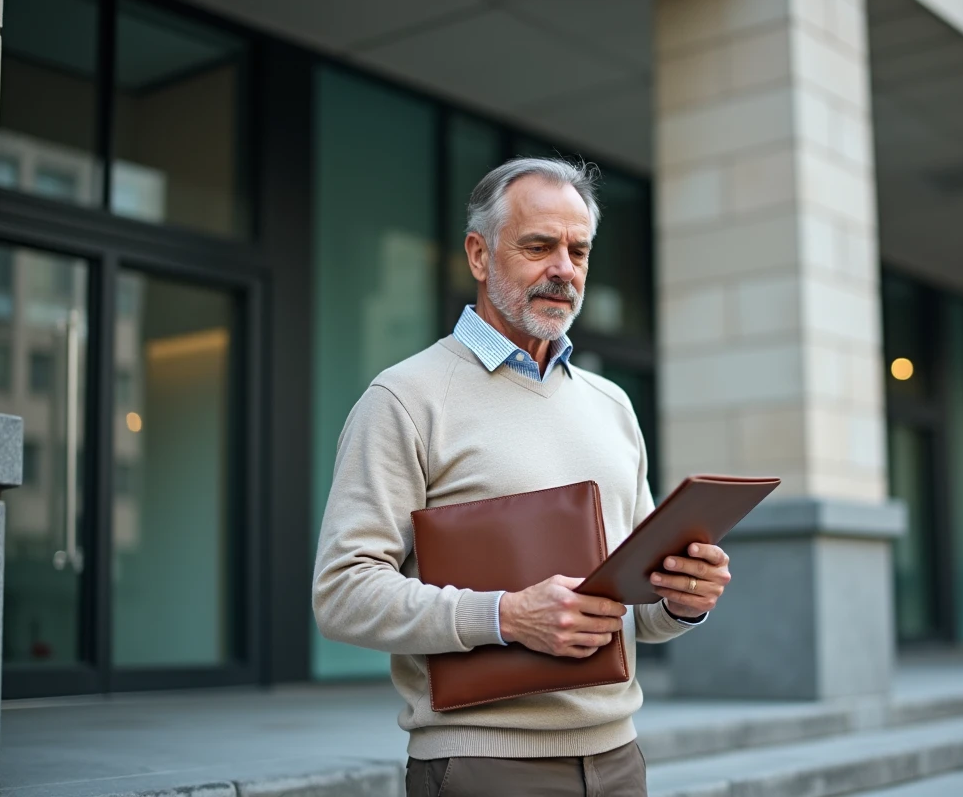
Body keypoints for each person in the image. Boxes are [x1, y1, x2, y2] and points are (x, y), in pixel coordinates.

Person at [313, 158, 733, 796]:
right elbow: (342, 593)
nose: (563, 269)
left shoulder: (612, 404)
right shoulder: (404, 398)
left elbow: (637, 612)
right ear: (479, 256)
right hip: (482, 766)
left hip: (619, 759)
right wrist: (505, 616)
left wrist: (681, 600)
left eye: (579, 251)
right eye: (539, 246)